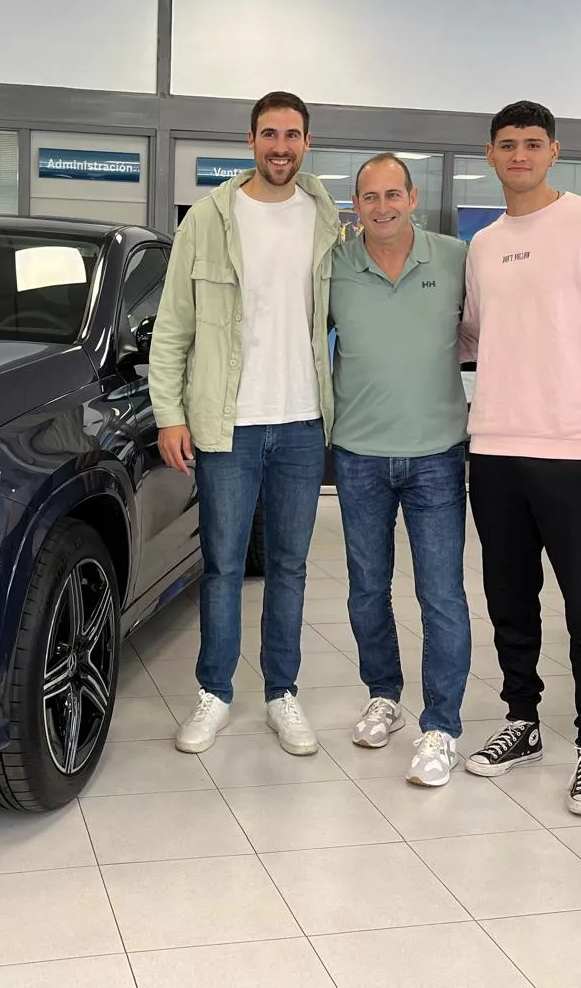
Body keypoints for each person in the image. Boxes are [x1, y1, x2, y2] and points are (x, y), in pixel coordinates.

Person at [459, 100, 581, 816]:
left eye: (532, 144)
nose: (519, 155)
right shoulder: (484, 244)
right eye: (507, 144)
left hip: (577, 451)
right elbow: (476, 338)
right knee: (510, 599)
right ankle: (523, 721)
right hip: (496, 449)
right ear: (491, 154)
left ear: (554, 152)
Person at [149, 90, 343, 757]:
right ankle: (215, 694)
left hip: (299, 421)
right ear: (251, 141)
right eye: (269, 134)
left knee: (288, 566)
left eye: (292, 135)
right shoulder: (210, 217)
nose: (280, 147)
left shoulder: (325, 218)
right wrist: (169, 413)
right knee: (223, 566)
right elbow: (172, 325)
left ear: (306, 142)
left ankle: (282, 695)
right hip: (226, 423)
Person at [329, 154, 471, 787]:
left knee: (440, 594)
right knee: (366, 589)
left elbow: (491, 333)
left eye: (393, 194)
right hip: (358, 453)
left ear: (413, 197)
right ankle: (383, 694)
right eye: (369, 197)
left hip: (438, 453)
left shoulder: (457, 259)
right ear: (354, 206)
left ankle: (440, 727)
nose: (381, 207)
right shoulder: (334, 267)